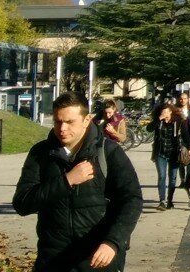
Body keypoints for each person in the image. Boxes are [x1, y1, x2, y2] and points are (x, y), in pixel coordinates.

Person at [13, 92, 143, 272]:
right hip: (54, 258)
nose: (62, 128)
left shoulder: (108, 152)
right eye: (58, 121)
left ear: (87, 119)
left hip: (98, 258)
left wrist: (113, 242)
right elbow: (22, 203)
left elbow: (132, 200)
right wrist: (67, 180)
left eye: (70, 122)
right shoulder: (41, 153)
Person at [148, 102, 190, 209]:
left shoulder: (178, 121)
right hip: (160, 153)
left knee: (172, 178)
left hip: (174, 153)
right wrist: (158, 119)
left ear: (170, 112)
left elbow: (186, 135)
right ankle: (162, 200)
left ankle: (170, 200)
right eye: (162, 111)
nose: (164, 113)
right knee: (162, 176)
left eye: (166, 111)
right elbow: (149, 129)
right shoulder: (159, 122)